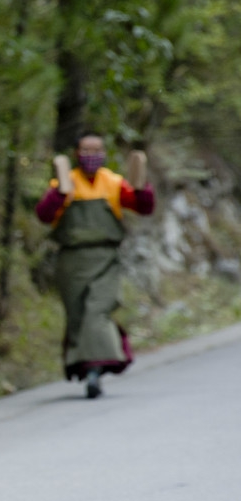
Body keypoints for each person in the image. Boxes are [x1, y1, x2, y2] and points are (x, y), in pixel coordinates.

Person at [36, 131, 155, 398]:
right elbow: (44, 215)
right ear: (77, 154)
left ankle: (96, 368)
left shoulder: (113, 183)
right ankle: (88, 367)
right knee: (77, 315)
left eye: (97, 151)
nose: (92, 157)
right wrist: (58, 194)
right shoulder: (66, 182)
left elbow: (142, 206)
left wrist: (142, 186)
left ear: (104, 154)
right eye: (87, 151)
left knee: (97, 310)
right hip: (72, 261)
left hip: (105, 260)